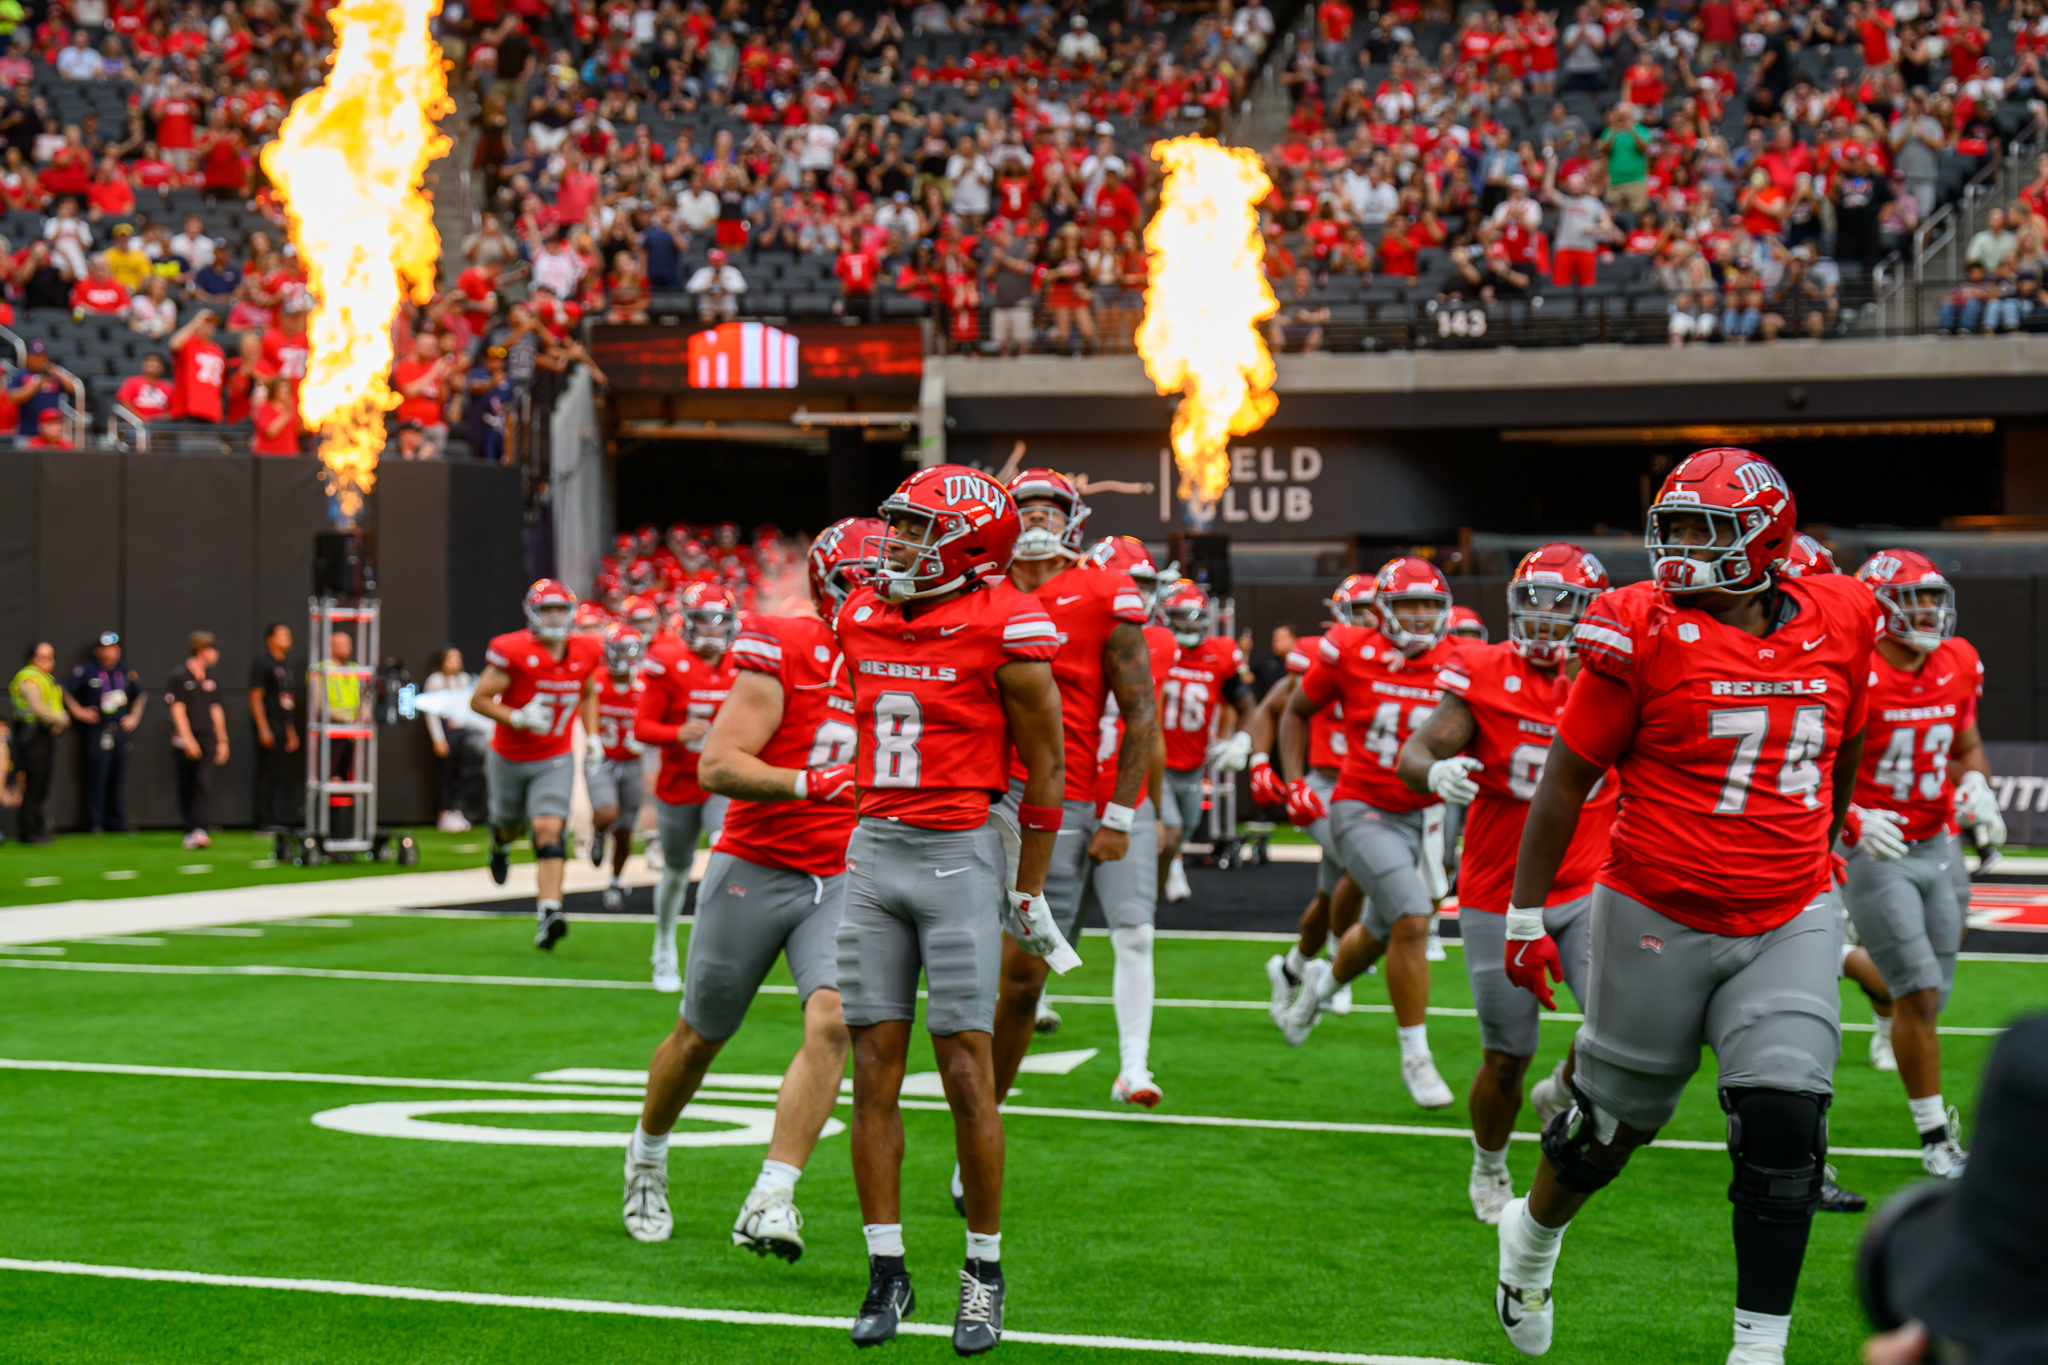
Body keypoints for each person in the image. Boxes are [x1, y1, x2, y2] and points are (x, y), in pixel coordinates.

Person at [1488, 448, 1879, 1365]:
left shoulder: (1842, 615)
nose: (1682, 549)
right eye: (1674, 528)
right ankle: (1532, 1239)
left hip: (1787, 910)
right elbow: (1565, 779)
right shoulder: (1641, 628)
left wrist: (1820, 845)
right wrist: (1524, 917)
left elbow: (1848, 741)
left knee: (1787, 1122)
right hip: (1656, 909)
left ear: (1768, 539)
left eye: (1706, 530)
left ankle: (1758, 1348)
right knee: (1607, 1131)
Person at [832, 465, 1066, 1354]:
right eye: (896, 525)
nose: (895, 541)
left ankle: (984, 1269)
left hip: (957, 853)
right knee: (872, 1070)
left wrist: (1028, 885)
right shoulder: (861, 613)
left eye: (915, 528)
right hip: (872, 851)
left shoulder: (1007, 621)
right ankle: (886, 1267)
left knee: (967, 1070)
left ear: (968, 545)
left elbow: (1047, 768)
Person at [620, 518, 873, 1260]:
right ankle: (647, 1153)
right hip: (758, 865)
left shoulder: (911, 660)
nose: (880, 591)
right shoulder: (789, 645)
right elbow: (718, 763)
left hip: (842, 873)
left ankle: (772, 1194)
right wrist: (811, 783)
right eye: (864, 578)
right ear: (831, 587)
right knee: (700, 1037)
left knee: (835, 1021)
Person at [1393, 545, 1616, 1225]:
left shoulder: (1620, 676)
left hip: (1591, 886)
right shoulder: (1485, 670)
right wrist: (1434, 772)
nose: (1546, 621)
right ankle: (1488, 1163)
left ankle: (1562, 1089)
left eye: (1563, 607)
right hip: (1500, 893)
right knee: (1506, 1055)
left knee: (1623, 1030)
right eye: (1534, 605)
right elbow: (1416, 751)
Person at [986, 467, 1161, 1125]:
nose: (1036, 518)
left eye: (1050, 508)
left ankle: (986, 1115)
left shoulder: (1103, 591)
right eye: (1025, 507)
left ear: (1074, 520)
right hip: (974, 794)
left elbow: (1141, 714)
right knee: (956, 957)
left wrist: (1119, 814)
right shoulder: (980, 587)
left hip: (1058, 799)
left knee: (1023, 979)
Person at [1276, 556, 1462, 1109]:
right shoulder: (1350, 650)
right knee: (1412, 917)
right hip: (1363, 806)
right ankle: (1416, 1056)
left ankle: (1322, 987)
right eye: (1409, 603)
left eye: (1429, 604)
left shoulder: (1463, 659)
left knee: (1381, 930)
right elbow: (1295, 711)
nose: (1420, 615)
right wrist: (1293, 781)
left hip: (1429, 814)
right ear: (1383, 609)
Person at [1842, 549, 1998, 1178]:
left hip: (1938, 841)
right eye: (1914, 597)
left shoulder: (1957, 660)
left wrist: (1977, 784)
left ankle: (1836, 958)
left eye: (1934, 596)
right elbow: (1809, 761)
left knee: (1931, 992)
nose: (1929, 609)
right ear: (1878, 608)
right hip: (1875, 844)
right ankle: (1935, 1138)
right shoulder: (1853, 668)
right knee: (1918, 989)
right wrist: (1852, 817)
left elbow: (1966, 745)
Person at [1252, 574, 1377, 1022]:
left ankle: (1290, 969)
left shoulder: (1398, 661)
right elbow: (1272, 708)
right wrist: (1260, 763)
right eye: (1358, 611)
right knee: (1360, 865)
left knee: (1329, 899)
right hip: (1324, 786)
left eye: (1373, 610)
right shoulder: (1319, 653)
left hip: (1369, 790)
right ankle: (1336, 964)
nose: (1366, 620)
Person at [470, 580, 603, 950]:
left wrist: (592, 735)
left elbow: (588, 691)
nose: (555, 617)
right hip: (509, 756)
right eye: (547, 610)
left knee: (548, 829)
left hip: (554, 757)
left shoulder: (587, 649)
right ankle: (499, 846)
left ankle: (549, 911)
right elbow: (478, 700)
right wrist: (515, 717)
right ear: (533, 613)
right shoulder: (513, 650)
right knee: (509, 827)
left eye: (560, 609)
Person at [635, 578, 743, 990]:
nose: (712, 630)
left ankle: (715, 947)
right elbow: (643, 727)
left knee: (724, 852)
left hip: (723, 780)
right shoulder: (666, 660)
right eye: (703, 620)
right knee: (677, 872)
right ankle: (664, 944)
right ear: (687, 621)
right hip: (679, 783)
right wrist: (677, 733)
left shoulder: (744, 660)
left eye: (719, 621)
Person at [1155, 579, 1255, 903]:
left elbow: (1245, 703)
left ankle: (1166, 871)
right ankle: (1147, 898)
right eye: (1180, 617)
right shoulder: (1155, 647)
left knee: (1184, 828)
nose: (1188, 625)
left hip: (1193, 763)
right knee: (1170, 831)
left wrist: (1240, 738)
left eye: (1194, 618)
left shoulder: (1219, 653)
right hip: (1156, 759)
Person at [586, 621, 647, 912]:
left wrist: (646, 737)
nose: (625, 657)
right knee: (606, 812)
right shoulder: (596, 679)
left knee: (625, 831)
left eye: (630, 651)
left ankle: (614, 882)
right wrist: (590, 739)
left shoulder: (646, 682)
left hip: (633, 762)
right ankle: (598, 832)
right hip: (603, 758)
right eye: (620, 650)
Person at [66, 631, 143, 833]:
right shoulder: (87, 670)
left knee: (118, 776)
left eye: (115, 648)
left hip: (119, 731)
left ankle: (116, 820)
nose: (112, 652)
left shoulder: (125, 670)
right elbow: (64, 689)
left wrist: (135, 715)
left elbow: (140, 694)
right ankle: (94, 822)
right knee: (96, 777)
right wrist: (78, 710)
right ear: (98, 651)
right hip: (97, 731)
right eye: (107, 648)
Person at [166, 631, 228, 851]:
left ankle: (201, 827)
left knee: (204, 781)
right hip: (187, 736)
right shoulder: (180, 676)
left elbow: (216, 709)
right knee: (187, 782)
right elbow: (178, 710)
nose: (217, 654)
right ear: (203, 651)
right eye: (214, 650)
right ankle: (190, 828)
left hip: (207, 736)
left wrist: (222, 739)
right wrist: (187, 739)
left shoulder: (212, 678)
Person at [8, 641, 67, 843]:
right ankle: (28, 830)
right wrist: (62, 719)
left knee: (42, 784)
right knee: (33, 782)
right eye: (42, 657)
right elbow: (37, 707)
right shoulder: (29, 677)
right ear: (31, 658)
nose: (47, 662)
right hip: (31, 734)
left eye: (50, 657)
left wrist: (57, 722)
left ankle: (40, 827)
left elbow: (52, 706)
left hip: (45, 734)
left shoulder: (48, 679)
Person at [423, 646, 484, 831]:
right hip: (446, 732)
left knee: (464, 772)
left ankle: (459, 811)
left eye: (458, 658)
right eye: (451, 658)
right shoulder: (435, 681)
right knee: (446, 773)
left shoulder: (465, 679)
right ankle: (444, 813)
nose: (455, 662)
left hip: (463, 732)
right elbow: (430, 712)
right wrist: (438, 738)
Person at [247, 623, 299, 833]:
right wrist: (263, 728)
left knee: (278, 773)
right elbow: (255, 696)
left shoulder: (284, 666)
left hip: (281, 724)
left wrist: (290, 730)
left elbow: (286, 701)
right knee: (266, 773)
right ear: (270, 639)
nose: (289, 638)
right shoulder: (263, 663)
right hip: (268, 724)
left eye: (289, 634)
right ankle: (262, 821)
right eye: (283, 634)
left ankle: (274, 818)